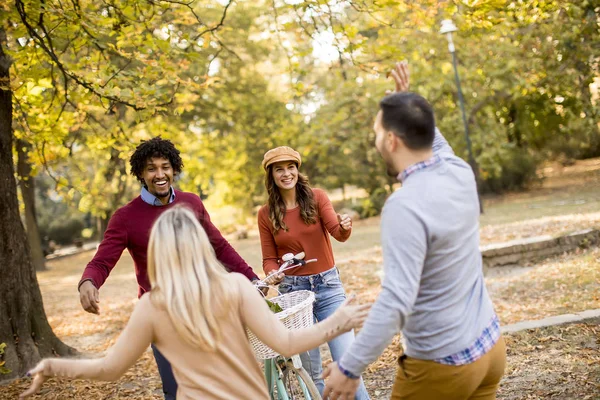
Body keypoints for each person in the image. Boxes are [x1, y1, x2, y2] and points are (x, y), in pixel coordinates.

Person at [20, 206, 370, 399]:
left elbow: (109, 369)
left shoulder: (152, 306)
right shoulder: (234, 287)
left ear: (157, 249)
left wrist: (52, 367)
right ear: (199, 245)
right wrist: (339, 321)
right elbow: (286, 342)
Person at [323, 62, 506, 400]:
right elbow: (432, 138)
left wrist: (349, 368)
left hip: (441, 365)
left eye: (378, 133)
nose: (376, 139)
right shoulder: (458, 170)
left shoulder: (404, 206)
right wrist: (402, 101)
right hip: (489, 347)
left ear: (392, 140)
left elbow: (396, 300)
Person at [76, 137, 282, 399]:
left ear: (174, 169)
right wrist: (88, 282)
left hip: (205, 308)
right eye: (151, 168)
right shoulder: (125, 217)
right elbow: (102, 261)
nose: (160, 174)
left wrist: (252, 279)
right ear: (141, 173)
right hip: (164, 318)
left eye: (165, 167)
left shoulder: (192, 203)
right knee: (177, 391)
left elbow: (219, 246)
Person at [257, 146, 371, 399]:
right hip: (294, 294)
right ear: (271, 175)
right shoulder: (266, 214)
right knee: (311, 372)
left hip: (328, 287)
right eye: (279, 169)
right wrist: (274, 272)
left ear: (298, 170)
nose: (287, 173)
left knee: (348, 364)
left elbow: (338, 233)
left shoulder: (317, 197)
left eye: (291, 167)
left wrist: (344, 226)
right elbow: (268, 258)